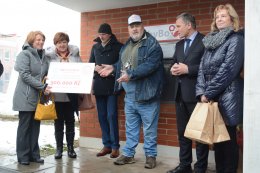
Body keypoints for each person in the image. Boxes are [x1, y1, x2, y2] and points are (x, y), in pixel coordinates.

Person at [98, 14, 164, 169]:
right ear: (128, 28)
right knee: (131, 127)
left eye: (137, 25)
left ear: (142, 26)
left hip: (147, 95)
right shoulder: (127, 45)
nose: (134, 28)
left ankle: (150, 156)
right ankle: (128, 154)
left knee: (149, 129)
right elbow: (123, 64)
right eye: (131, 26)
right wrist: (113, 68)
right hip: (130, 96)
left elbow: (150, 65)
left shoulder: (152, 44)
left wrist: (131, 75)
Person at [196, 4, 244, 173]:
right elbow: (201, 69)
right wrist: (201, 92)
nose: (220, 19)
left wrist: (208, 92)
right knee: (217, 142)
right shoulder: (211, 41)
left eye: (223, 16)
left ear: (232, 18)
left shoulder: (236, 39)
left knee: (228, 141)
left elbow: (228, 69)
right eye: (217, 17)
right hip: (212, 98)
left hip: (229, 97)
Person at [167, 13, 209, 173]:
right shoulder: (178, 45)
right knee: (182, 134)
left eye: (178, 26)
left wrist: (188, 69)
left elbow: (209, 67)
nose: (176, 30)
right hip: (180, 96)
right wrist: (173, 68)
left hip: (197, 96)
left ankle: (200, 168)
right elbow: (173, 63)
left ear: (189, 25)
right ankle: (185, 166)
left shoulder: (204, 41)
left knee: (199, 135)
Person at [13, 31, 51, 165]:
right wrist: (42, 86)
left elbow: (46, 74)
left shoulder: (44, 57)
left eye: (42, 40)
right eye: (37, 40)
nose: (40, 42)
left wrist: (47, 79)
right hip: (25, 96)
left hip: (38, 98)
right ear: (31, 41)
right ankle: (23, 156)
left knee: (35, 127)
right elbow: (25, 75)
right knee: (24, 127)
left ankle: (34, 154)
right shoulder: (24, 54)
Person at [89, 23, 123, 158]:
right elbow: (90, 64)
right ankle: (106, 145)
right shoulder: (95, 47)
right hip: (99, 85)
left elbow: (122, 64)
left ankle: (115, 147)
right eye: (100, 34)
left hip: (111, 86)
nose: (101, 37)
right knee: (102, 116)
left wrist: (111, 70)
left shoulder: (119, 47)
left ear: (109, 34)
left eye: (103, 34)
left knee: (111, 115)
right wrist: (94, 68)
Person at [45, 32, 81, 159]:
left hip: (71, 96)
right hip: (57, 96)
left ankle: (70, 149)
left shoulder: (75, 56)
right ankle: (59, 149)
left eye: (64, 42)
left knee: (70, 122)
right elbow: (46, 72)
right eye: (59, 42)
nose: (62, 45)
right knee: (58, 123)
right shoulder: (50, 57)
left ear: (67, 43)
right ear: (56, 44)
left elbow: (81, 72)